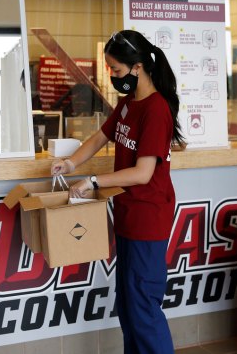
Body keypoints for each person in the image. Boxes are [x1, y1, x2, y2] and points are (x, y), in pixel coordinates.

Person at [51, 29, 184, 354]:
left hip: (148, 219)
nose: (112, 75)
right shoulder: (129, 104)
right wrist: (70, 164)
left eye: (117, 70)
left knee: (144, 311)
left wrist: (93, 182)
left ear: (137, 67)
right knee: (128, 307)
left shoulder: (155, 110)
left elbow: (143, 172)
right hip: (127, 216)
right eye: (109, 68)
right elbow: (99, 138)